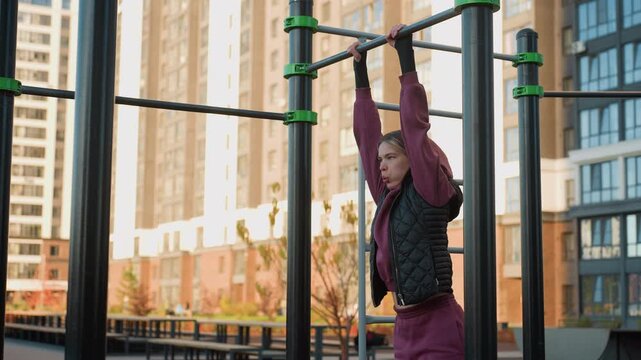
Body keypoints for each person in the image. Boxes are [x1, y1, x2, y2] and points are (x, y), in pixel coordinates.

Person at [347, 24, 465, 359]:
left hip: (438, 322)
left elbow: (415, 127)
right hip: (405, 325)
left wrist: (405, 55)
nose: (381, 166)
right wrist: (360, 70)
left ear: (412, 159)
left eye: (391, 158)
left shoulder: (427, 190)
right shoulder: (386, 197)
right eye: (380, 160)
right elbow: (367, 136)